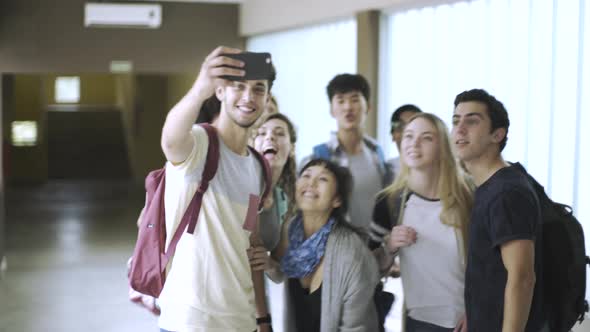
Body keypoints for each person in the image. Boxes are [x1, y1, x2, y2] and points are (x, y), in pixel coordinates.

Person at [158, 46, 276, 332]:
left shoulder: (259, 167)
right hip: (191, 321)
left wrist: (261, 318)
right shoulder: (199, 144)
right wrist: (200, 88)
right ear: (220, 92)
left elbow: (249, 242)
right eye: (238, 87)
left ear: (267, 98)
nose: (249, 97)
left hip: (240, 320)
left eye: (258, 89)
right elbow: (171, 141)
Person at [451, 89, 546, 332]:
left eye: (472, 121)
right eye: (455, 120)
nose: (459, 129)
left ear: (497, 134)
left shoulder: (506, 193)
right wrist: (474, 312)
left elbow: (522, 277)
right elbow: (492, 272)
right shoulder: (490, 186)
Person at [369, 113, 473, 331]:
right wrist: (389, 246)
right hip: (418, 322)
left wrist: (477, 310)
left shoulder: (470, 196)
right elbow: (367, 270)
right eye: (408, 136)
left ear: (443, 147)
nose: (414, 143)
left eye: (426, 137)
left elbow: (492, 264)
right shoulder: (388, 202)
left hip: (470, 319)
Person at [277, 158, 379, 332]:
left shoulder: (352, 252)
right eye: (306, 175)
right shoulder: (288, 232)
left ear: (337, 200)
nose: (311, 183)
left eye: (323, 179)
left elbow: (356, 328)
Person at [302, 73, 389, 230]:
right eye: (340, 100)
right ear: (331, 110)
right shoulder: (319, 156)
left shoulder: (377, 153)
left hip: (375, 247)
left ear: (368, 106)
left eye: (355, 99)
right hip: (337, 246)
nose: (348, 107)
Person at [249, 113, 298, 332]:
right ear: (252, 144)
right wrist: (263, 319)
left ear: (292, 148)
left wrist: (268, 263)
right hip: (217, 302)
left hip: (250, 304)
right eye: (262, 133)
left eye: (279, 134)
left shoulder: (283, 200)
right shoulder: (246, 188)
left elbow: (279, 272)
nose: (270, 138)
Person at [388, 104, 422, 182]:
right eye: (400, 127)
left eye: (414, 127)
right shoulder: (387, 170)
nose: (407, 133)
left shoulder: (436, 171)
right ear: (393, 135)